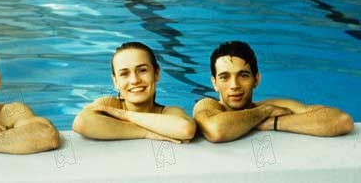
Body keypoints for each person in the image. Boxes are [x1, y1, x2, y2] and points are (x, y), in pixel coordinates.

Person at [193, 41, 354, 143]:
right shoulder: (208, 105)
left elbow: (341, 120)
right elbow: (217, 130)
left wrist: (273, 123)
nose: (234, 85)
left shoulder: (275, 105)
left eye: (243, 75)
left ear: (257, 79)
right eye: (224, 77)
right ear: (214, 83)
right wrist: (265, 112)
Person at [73, 42, 196, 143]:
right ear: (115, 81)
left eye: (142, 70)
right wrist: (145, 133)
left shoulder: (167, 112)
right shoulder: (109, 104)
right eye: (124, 74)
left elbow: (186, 130)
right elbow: (81, 123)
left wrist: (125, 115)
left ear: (156, 73)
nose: (135, 80)